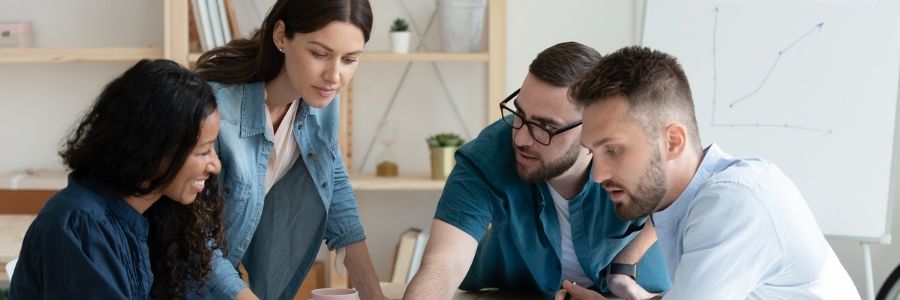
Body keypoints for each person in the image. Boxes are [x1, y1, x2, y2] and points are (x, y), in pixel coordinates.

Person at [565, 45, 860, 299]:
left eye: (614, 150)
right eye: (593, 152)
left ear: (673, 142)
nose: (598, 174)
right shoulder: (689, 203)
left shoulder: (734, 203)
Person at [404, 42, 670, 300]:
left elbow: (690, 194)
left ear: (593, 127)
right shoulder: (486, 157)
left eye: (545, 126)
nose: (520, 138)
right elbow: (444, 262)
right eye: (519, 114)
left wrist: (623, 268)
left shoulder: (640, 151)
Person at [193, 0, 384, 299]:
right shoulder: (215, 111)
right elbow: (191, 236)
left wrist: (374, 293)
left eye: (349, 59)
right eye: (319, 54)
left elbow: (332, 182)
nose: (334, 76)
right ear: (281, 36)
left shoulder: (321, 100)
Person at [10, 59, 225, 299]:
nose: (216, 165)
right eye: (204, 151)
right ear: (154, 149)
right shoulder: (79, 225)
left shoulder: (159, 213)